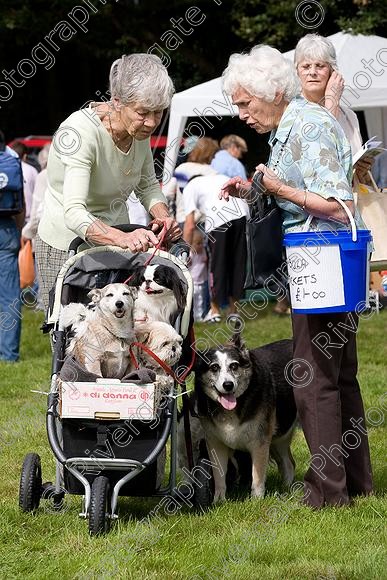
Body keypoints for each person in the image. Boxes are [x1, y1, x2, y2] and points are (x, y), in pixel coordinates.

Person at [219, 45, 373, 508]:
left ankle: (328, 491)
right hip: (318, 263)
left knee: (314, 379)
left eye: (246, 103)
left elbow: (337, 205)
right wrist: (254, 188)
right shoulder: (292, 125)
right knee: (338, 376)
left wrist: (277, 186)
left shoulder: (308, 124)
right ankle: (357, 482)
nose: (241, 114)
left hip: (323, 262)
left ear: (274, 92)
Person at [36, 54, 181, 311]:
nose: (151, 122)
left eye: (159, 112)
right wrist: (122, 239)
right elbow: (74, 212)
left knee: (120, 329)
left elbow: (147, 184)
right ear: (116, 102)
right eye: (142, 112)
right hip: (66, 244)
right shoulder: (80, 133)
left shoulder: (138, 130)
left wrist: (163, 217)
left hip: (115, 240)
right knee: (73, 334)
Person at [294, 33, 372, 182]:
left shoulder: (349, 116)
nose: (312, 72)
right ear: (297, 71)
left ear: (332, 71)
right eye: (306, 66)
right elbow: (318, 157)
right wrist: (332, 103)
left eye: (320, 66)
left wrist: (361, 171)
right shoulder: (293, 112)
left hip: (350, 201)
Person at [183, 172, 249, 322]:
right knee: (237, 264)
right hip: (241, 215)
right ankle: (233, 311)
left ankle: (215, 311)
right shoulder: (215, 178)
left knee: (216, 264)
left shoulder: (189, 187)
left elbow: (189, 225)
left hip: (219, 221)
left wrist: (184, 253)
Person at [0, 130, 25, 362]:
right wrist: (17, 232)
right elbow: (20, 206)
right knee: (9, 297)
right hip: (6, 229)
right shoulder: (12, 163)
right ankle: (9, 356)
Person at [163, 137, 219, 228]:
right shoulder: (213, 173)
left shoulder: (182, 169)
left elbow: (167, 194)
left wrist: (171, 216)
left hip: (182, 219)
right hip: (205, 222)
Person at [9, 141, 38, 222]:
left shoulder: (5, 170)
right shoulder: (32, 170)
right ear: (25, 156)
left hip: (10, 215)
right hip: (29, 218)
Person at [189, 229, 209, 321]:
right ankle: (193, 316)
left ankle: (200, 316)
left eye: (202, 243)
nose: (201, 245)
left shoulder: (203, 252)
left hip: (201, 281)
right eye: (198, 243)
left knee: (201, 300)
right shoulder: (190, 254)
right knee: (193, 301)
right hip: (192, 282)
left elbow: (205, 259)